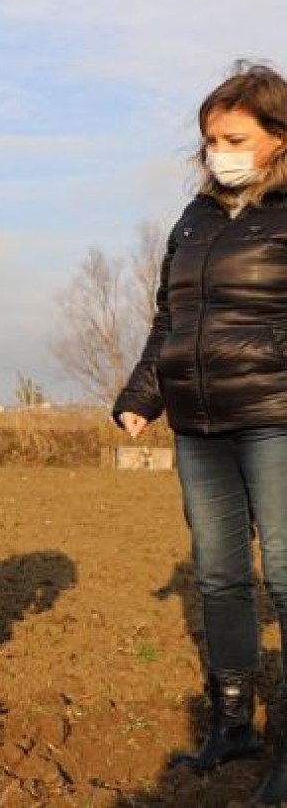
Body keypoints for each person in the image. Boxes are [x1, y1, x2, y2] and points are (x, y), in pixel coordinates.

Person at [114, 61, 287, 806]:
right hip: (199, 421)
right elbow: (171, 318)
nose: (219, 150)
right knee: (220, 574)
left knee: (284, 572)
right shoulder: (197, 218)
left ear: (279, 137)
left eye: (236, 136)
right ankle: (233, 723)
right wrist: (141, 393)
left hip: (275, 416)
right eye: (211, 138)